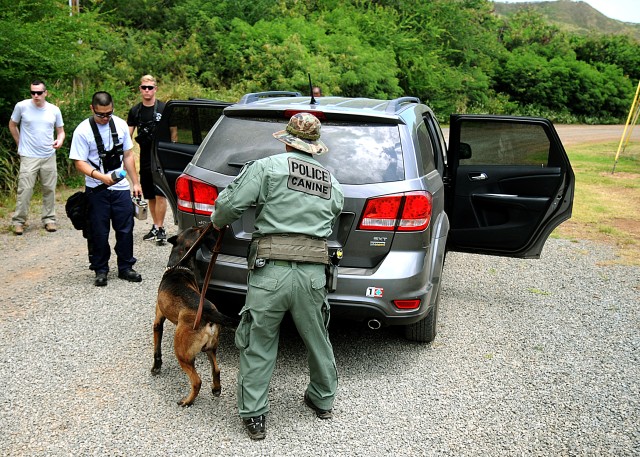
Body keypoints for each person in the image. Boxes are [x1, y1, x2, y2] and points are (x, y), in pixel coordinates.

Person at [210, 112, 344, 440]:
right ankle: (322, 399)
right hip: (313, 274)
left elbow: (228, 207)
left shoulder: (266, 168)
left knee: (259, 340)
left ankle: (255, 416)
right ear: (315, 147)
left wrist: (216, 220)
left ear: (287, 141)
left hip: (270, 272)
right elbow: (335, 210)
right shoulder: (330, 181)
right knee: (317, 337)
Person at [69, 91, 143, 287]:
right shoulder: (82, 131)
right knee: (98, 231)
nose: (104, 118)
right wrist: (101, 177)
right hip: (96, 189)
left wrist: (135, 182)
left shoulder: (119, 125)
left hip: (120, 188)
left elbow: (128, 155)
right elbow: (79, 162)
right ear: (92, 108)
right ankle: (100, 269)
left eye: (108, 113)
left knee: (125, 229)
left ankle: (126, 267)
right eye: (100, 114)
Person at [9, 79, 65, 235]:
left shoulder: (54, 110)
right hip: (29, 155)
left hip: (48, 155)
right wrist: (20, 143)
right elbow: (12, 125)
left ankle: (49, 219)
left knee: (49, 189)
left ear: (45, 93)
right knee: (25, 189)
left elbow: (60, 131)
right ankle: (19, 222)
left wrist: (59, 140)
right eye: (32, 92)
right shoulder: (21, 106)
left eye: (39, 92)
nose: (35, 95)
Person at [127, 75, 176, 245]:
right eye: (144, 87)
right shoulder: (135, 111)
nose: (147, 90)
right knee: (150, 195)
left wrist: (172, 152)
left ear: (155, 89)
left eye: (150, 87)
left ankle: (161, 228)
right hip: (145, 156)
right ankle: (156, 226)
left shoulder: (164, 108)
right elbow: (128, 136)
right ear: (140, 89)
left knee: (160, 193)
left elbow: (173, 131)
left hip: (161, 156)